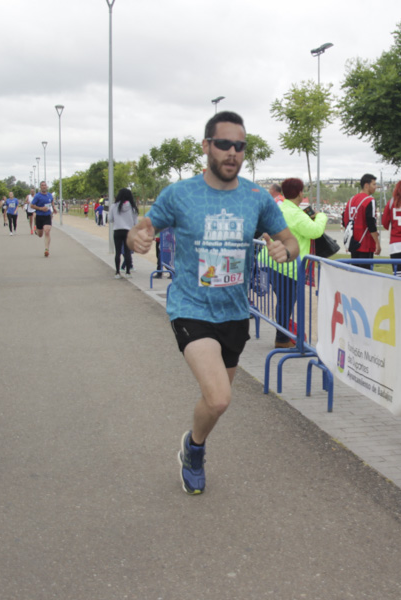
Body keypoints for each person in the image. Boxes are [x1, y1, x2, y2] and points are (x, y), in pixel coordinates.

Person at [127, 111, 298, 495]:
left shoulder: (256, 197)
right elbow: (143, 228)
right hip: (191, 308)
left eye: (240, 146)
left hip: (235, 313)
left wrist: (283, 250)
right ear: (207, 147)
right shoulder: (180, 194)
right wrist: (135, 240)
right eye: (224, 144)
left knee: (215, 400)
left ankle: (193, 445)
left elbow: (290, 242)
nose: (232, 153)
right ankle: (197, 454)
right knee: (220, 397)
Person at [260, 177, 327, 349]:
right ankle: (282, 339)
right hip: (287, 265)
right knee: (286, 302)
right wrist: (321, 216)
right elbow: (315, 231)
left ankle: (282, 335)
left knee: (282, 301)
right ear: (299, 193)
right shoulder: (295, 213)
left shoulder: (281, 208)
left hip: (270, 261)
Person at [342, 174, 381, 268]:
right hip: (365, 244)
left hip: (354, 243)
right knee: (365, 276)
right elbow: (371, 223)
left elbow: (345, 221)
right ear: (366, 185)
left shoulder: (351, 200)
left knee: (355, 274)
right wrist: (377, 243)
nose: (376, 187)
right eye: (374, 184)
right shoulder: (369, 200)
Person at [110, 188, 138, 278]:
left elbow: (110, 219)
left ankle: (117, 272)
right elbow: (135, 222)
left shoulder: (114, 206)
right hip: (128, 231)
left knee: (117, 252)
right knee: (127, 252)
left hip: (117, 230)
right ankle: (128, 272)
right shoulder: (133, 207)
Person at [31, 181, 55, 257]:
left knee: (47, 231)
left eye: (45, 185)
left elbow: (52, 201)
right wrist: (41, 208)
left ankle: (46, 249)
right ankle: (36, 229)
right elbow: (32, 205)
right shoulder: (37, 196)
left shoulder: (50, 195)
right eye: (42, 185)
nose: (44, 186)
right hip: (39, 216)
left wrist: (54, 208)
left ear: (47, 186)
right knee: (40, 235)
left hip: (47, 215)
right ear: (40, 187)